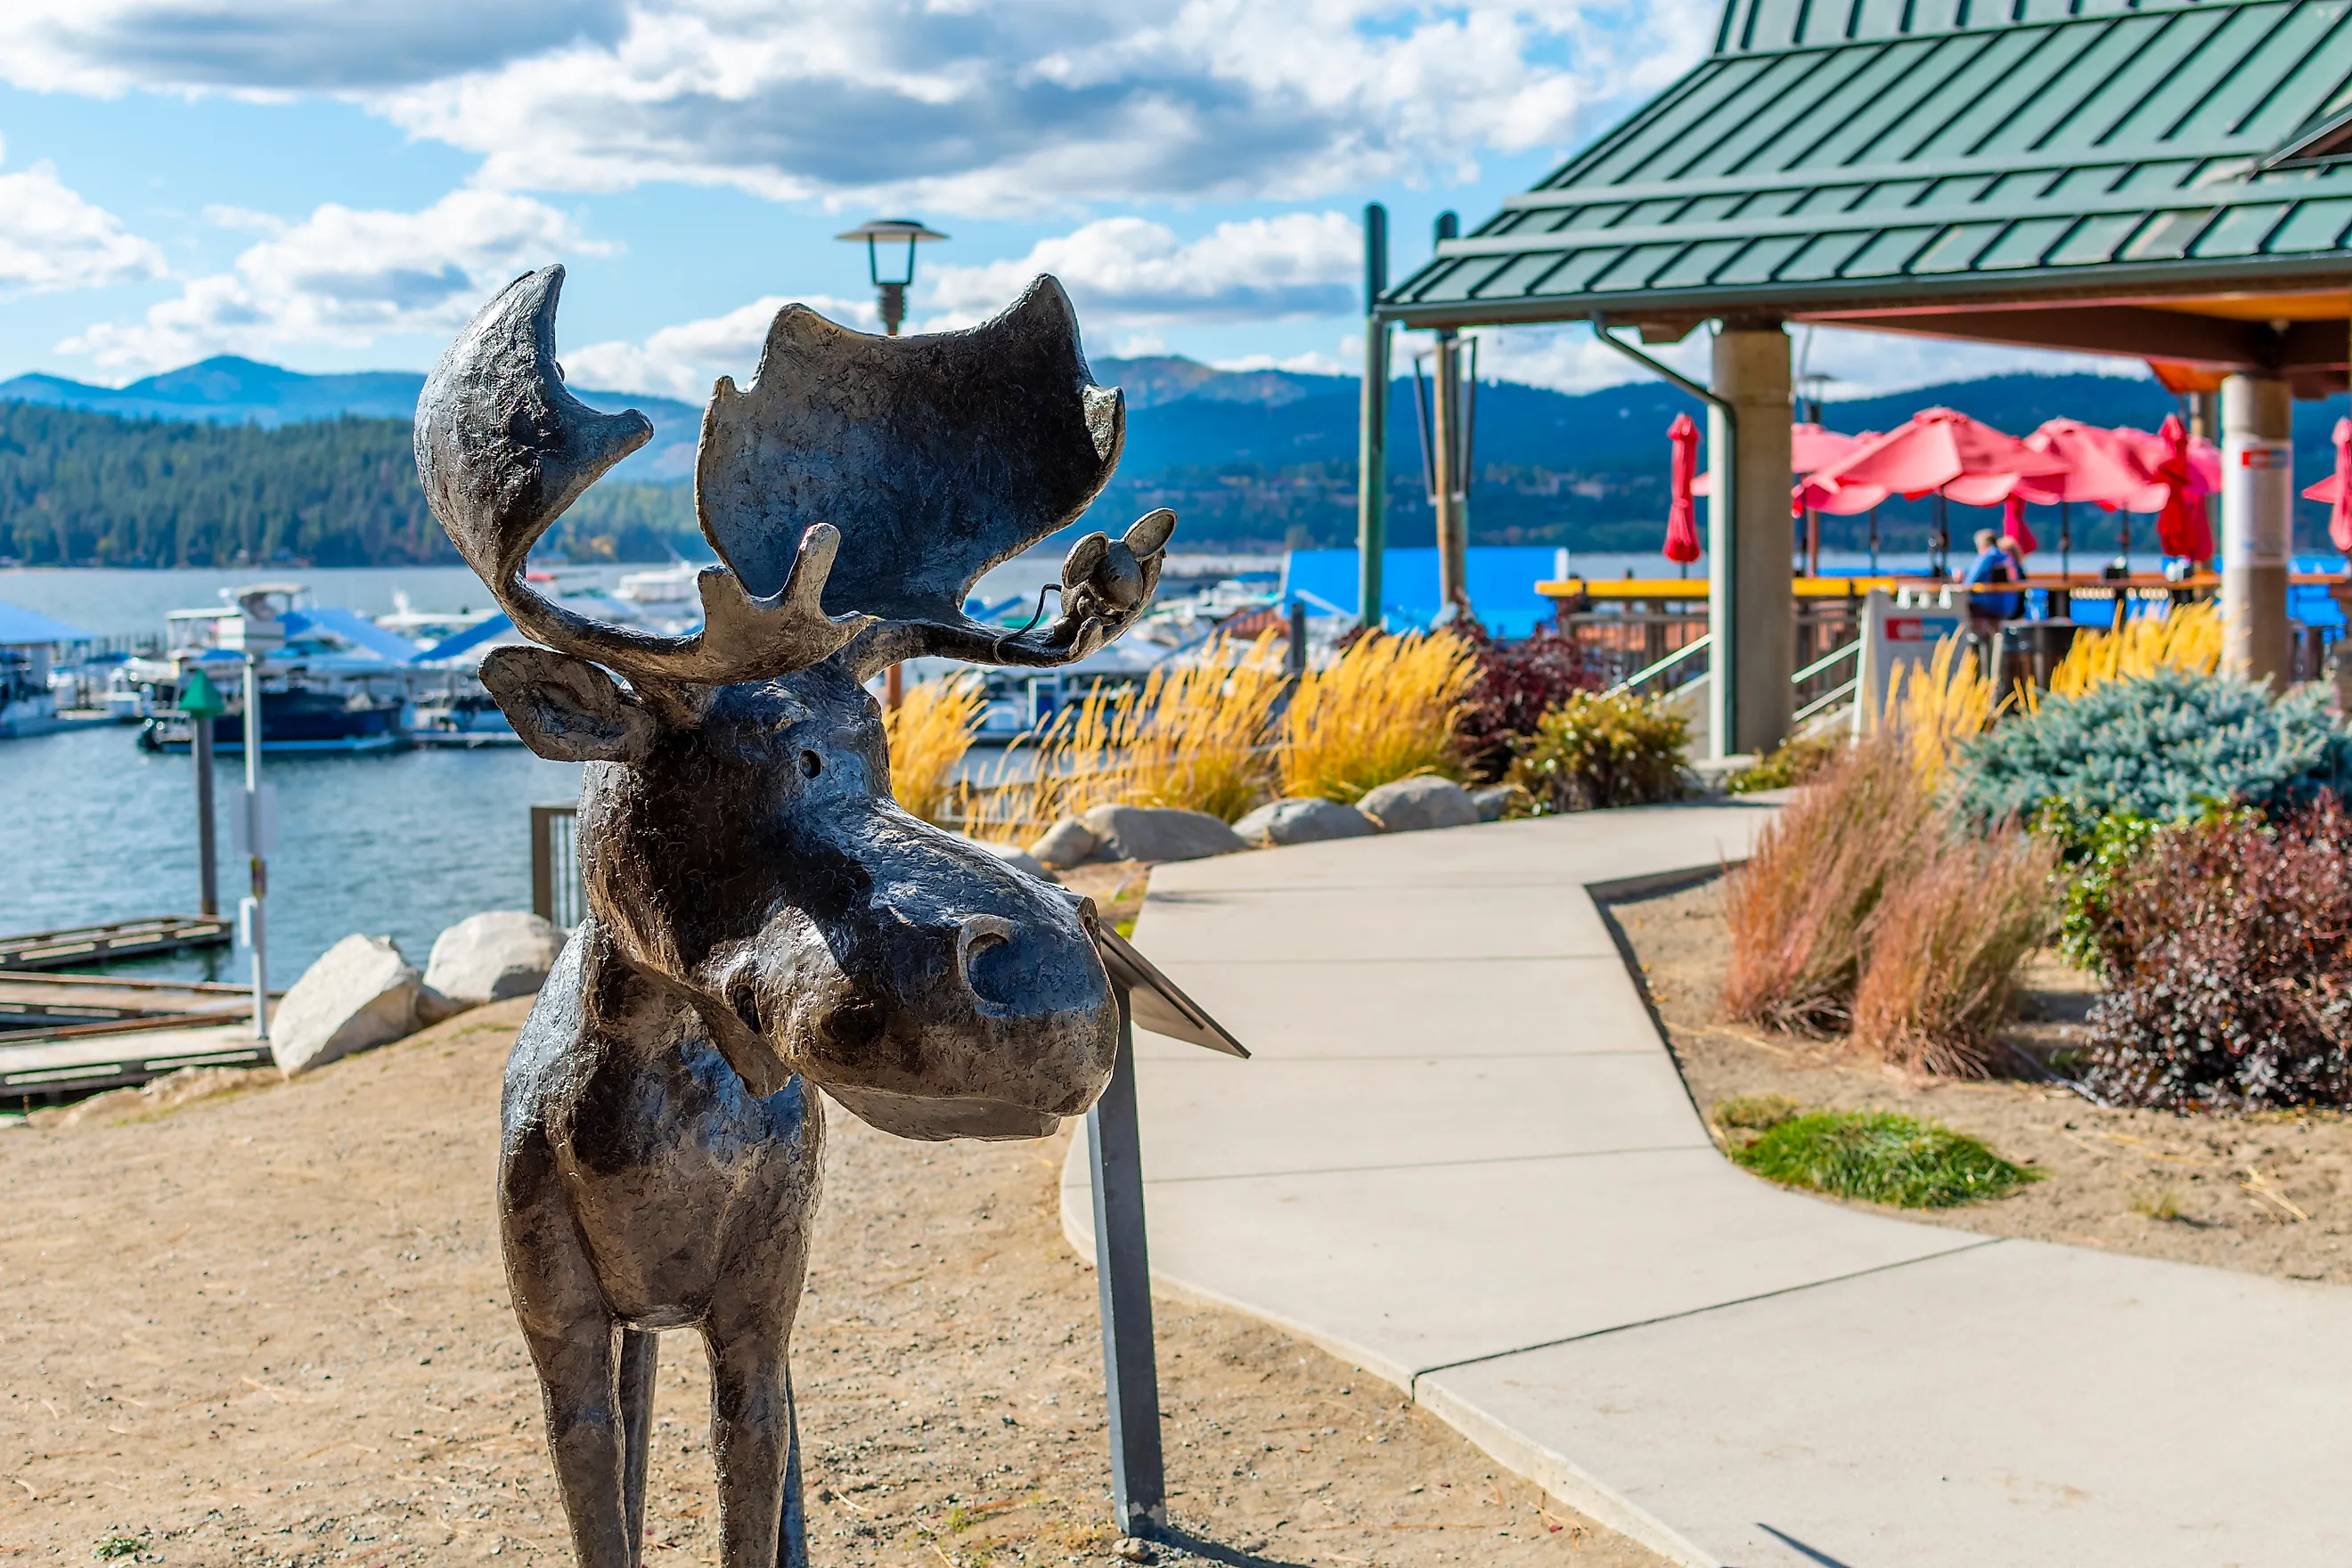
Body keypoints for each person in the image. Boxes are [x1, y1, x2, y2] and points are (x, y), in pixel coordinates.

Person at [1961, 527, 2021, 630]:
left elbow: (1970, 582)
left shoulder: (1987, 557)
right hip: (2009, 606)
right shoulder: (2006, 557)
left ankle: (1976, 638)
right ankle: (1993, 637)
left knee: (1965, 606)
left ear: (1981, 545)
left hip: (1991, 606)